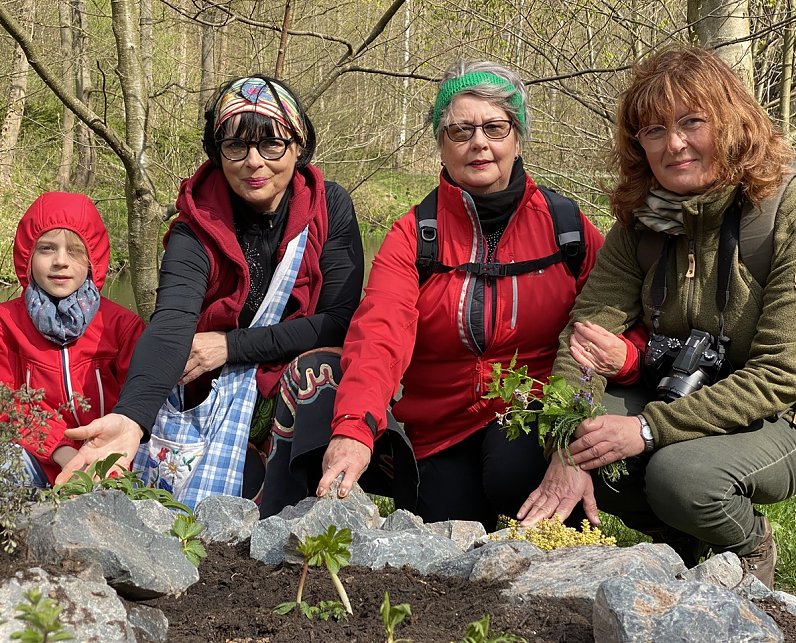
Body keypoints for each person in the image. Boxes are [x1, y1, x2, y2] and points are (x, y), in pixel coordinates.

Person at [519, 46, 796, 589]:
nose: (674, 144)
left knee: (682, 479)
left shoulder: (795, 210)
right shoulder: (644, 220)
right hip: (681, 390)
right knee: (580, 434)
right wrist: (568, 444)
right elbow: (588, 332)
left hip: (784, 416)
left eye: (693, 122)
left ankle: (748, 542)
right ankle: (680, 544)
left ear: (732, 122)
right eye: (653, 130)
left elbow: (781, 375)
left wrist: (647, 429)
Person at [319, 61, 643, 531]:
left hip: (531, 413)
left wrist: (628, 359)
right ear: (441, 143)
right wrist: (354, 427)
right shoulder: (415, 234)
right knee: (444, 555)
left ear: (517, 136)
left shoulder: (566, 227)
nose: (479, 142)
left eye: (495, 126)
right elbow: (379, 333)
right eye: (460, 130)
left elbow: (621, 317)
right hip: (440, 428)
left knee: (513, 474)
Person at [55, 76, 364, 515]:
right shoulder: (196, 228)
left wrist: (229, 346)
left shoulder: (329, 207)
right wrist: (130, 418)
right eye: (236, 146)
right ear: (218, 154)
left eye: (272, 145)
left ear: (298, 146)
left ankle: (313, 507)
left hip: (286, 388)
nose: (254, 162)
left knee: (323, 368)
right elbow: (171, 324)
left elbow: (338, 320)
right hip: (210, 394)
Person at [0, 192, 145, 487]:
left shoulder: (121, 325)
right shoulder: (5, 322)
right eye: (46, 249)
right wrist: (61, 450)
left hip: (110, 460)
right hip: (37, 459)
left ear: (94, 259)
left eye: (76, 251)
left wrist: (103, 467)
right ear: (27, 255)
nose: (61, 262)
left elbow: (140, 399)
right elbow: (6, 402)